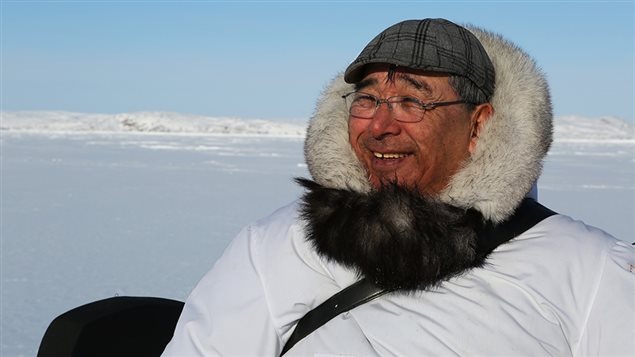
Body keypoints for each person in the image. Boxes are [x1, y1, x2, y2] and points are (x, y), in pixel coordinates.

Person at [162, 19, 634, 356]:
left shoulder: (590, 269)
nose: (380, 126)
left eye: (412, 101)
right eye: (367, 99)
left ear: (478, 125)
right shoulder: (273, 244)